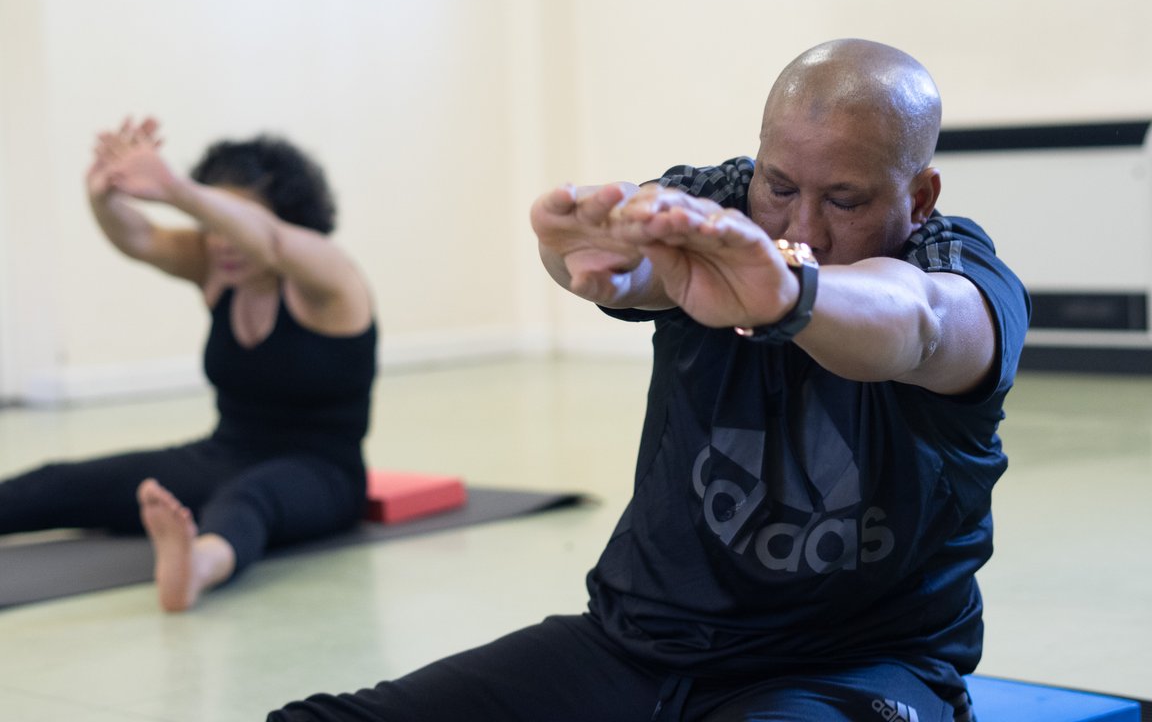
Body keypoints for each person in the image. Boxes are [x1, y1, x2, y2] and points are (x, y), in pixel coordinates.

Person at [270, 39, 1029, 721]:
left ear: (919, 196)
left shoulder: (956, 273)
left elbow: (918, 323)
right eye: (781, 186)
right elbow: (636, 264)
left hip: (847, 670)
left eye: (844, 200)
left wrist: (788, 293)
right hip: (639, 647)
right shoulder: (722, 205)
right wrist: (589, 258)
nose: (802, 228)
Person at [0, 118, 377, 612]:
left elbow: (273, 243)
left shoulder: (330, 279)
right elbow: (139, 238)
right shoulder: (218, 271)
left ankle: (196, 567)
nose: (218, 241)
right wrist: (104, 196)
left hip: (321, 474)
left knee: (248, 500)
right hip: (219, 456)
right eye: (210, 226)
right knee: (60, 483)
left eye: (229, 222)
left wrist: (175, 188)